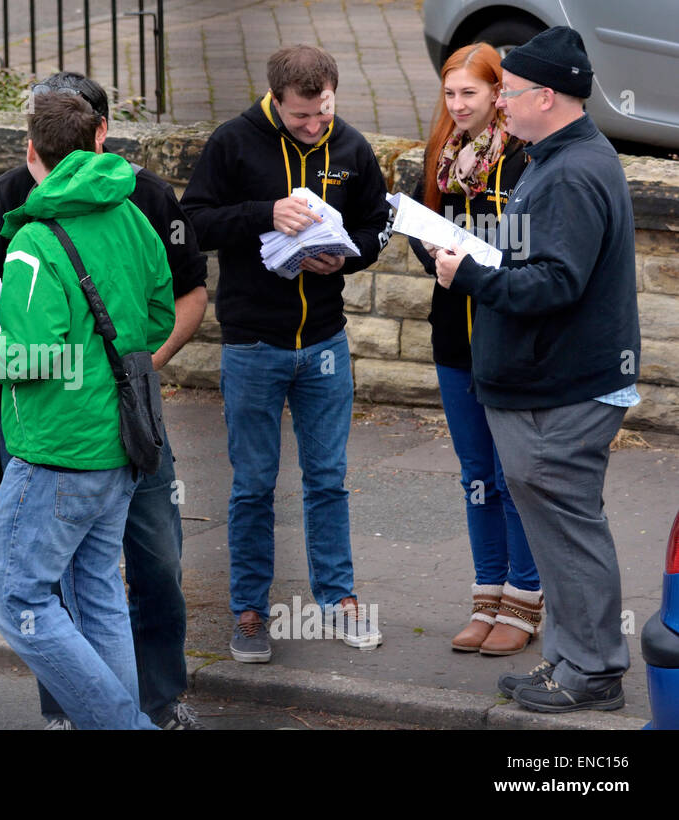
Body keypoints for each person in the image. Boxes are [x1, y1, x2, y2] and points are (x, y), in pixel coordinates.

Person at [0, 71, 208, 729]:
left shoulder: (33, 242)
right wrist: (99, 359)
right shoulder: (131, 213)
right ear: (98, 139)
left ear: (31, 153)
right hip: (124, 442)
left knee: (19, 603)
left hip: (58, 449)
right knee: (96, 596)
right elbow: (154, 321)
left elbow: (34, 357)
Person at [433, 26, 640, 713]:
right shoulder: (561, 158)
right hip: (549, 382)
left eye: (512, 94)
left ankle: (592, 671)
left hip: (561, 387)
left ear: (546, 97)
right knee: (560, 524)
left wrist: (470, 275)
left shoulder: (573, 170)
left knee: (570, 527)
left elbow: (555, 284)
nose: (502, 106)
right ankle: (570, 661)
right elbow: (545, 266)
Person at [181, 44, 390, 662]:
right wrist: (263, 213)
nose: (314, 124)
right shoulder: (233, 142)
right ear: (276, 98)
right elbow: (191, 222)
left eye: (323, 111)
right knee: (252, 485)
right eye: (302, 115)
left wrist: (349, 250)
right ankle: (249, 612)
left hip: (325, 341)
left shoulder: (350, 146)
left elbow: (378, 225)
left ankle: (338, 601)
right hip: (252, 345)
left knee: (328, 479)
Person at [407, 42, 542, 656]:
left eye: (471, 93)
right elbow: (419, 225)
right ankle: (486, 594)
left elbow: (536, 249)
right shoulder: (440, 154)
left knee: (516, 476)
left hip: (510, 341)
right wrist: (438, 254)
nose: (458, 105)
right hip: (453, 340)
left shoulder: (524, 158)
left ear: (496, 93)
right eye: (450, 93)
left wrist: (475, 258)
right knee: (476, 476)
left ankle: (526, 598)